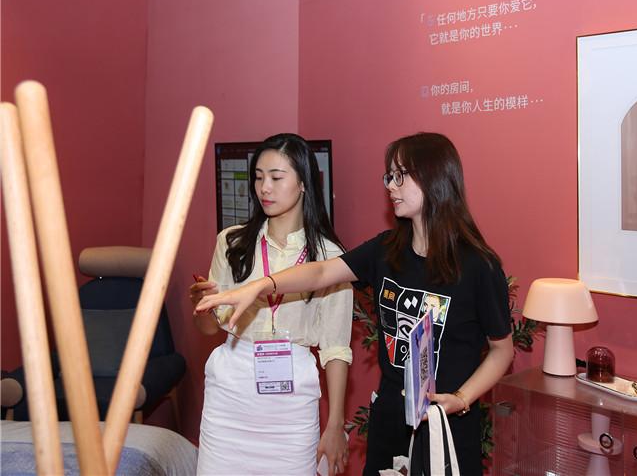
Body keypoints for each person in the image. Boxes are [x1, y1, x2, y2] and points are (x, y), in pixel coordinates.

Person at [196, 132, 514, 475]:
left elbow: (502, 350)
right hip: (391, 419)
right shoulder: (386, 250)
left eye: (400, 176)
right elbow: (320, 273)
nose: (390, 186)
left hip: (445, 422)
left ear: (433, 178)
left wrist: (463, 398)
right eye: (388, 176)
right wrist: (263, 285)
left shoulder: (479, 267)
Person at [191, 133, 353, 475]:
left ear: (304, 183)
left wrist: (335, 424)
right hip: (230, 394)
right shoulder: (232, 242)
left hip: (292, 401)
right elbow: (209, 329)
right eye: (259, 177)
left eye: (277, 178)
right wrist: (202, 305)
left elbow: (336, 347)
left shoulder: (330, 257)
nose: (264, 188)